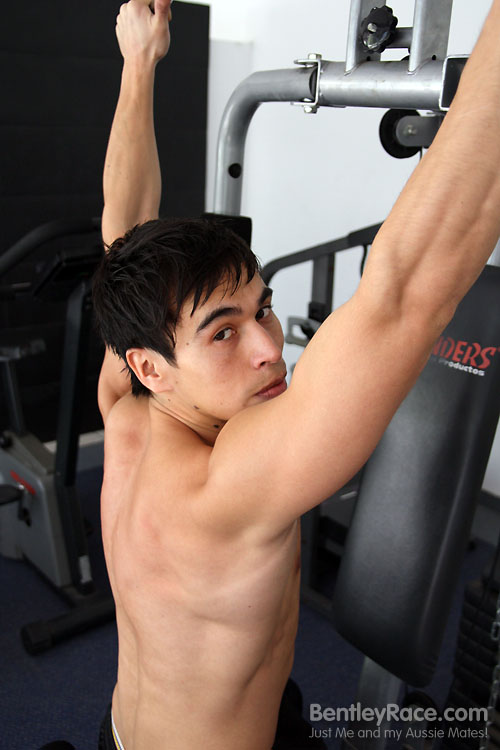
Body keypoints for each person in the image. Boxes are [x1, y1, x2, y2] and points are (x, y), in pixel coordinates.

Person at [92, 0, 500, 748]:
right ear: (155, 366)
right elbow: (407, 294)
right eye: (223, 332)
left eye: (264, 308)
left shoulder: (125, 399)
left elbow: (121, 235)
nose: (268, 347)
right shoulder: (224, 488)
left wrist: (139, 62)